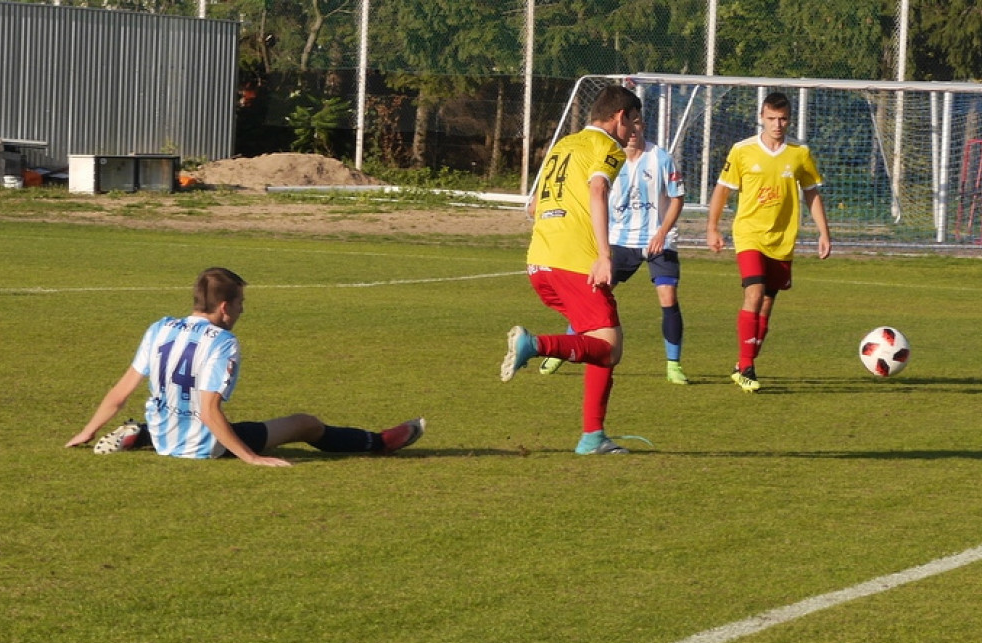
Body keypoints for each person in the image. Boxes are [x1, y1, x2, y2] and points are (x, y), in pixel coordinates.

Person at [66, 267, 424, 466]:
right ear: (224, 307)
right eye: (240, 303)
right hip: (202, 445)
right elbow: (208, 410)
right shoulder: (222, 342)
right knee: (306, 424)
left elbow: (121, 391)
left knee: (175, 415)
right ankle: (380, 442)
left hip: (164, 435)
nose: (241, 311)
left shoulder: (159, 328)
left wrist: (87, 431)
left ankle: (139, 433)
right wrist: (251, 458)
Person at [500, 84, 641, 455]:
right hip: (575, 260)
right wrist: (604, 254)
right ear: (619, 116)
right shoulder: (608, 148)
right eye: (633, 123)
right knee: (609, 348)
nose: (634, 133)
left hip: (540, 261)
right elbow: (597, 190)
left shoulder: (563, 145)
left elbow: (533, 206)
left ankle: (593, 437)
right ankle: (534, 345)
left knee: (599, 342)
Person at [539, 113, 688, 384]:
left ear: (642, 126)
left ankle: (673, 365)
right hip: (620, 241)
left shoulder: (661, 158)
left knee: (668, 297)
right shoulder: (609, 158)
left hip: (658, 241)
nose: (633, 131)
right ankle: (561, 350)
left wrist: (662, 232)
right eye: (629, 124)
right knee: (592, 295)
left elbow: (677, 198)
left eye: (638, 124)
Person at [706, 91, 832, 392]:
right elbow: (723, 190)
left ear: (789, 119)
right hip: (749, 233)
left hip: (782, 239)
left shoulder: (799, 152)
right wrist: (712, 227)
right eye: (772, 118)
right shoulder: (742, 150)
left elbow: (812, 192)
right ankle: (747, 366)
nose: (778, 124)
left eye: (783, 118)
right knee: (754, 292)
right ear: (761, 116)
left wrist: (824, 232)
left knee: (765, 306)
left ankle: (743, 364)